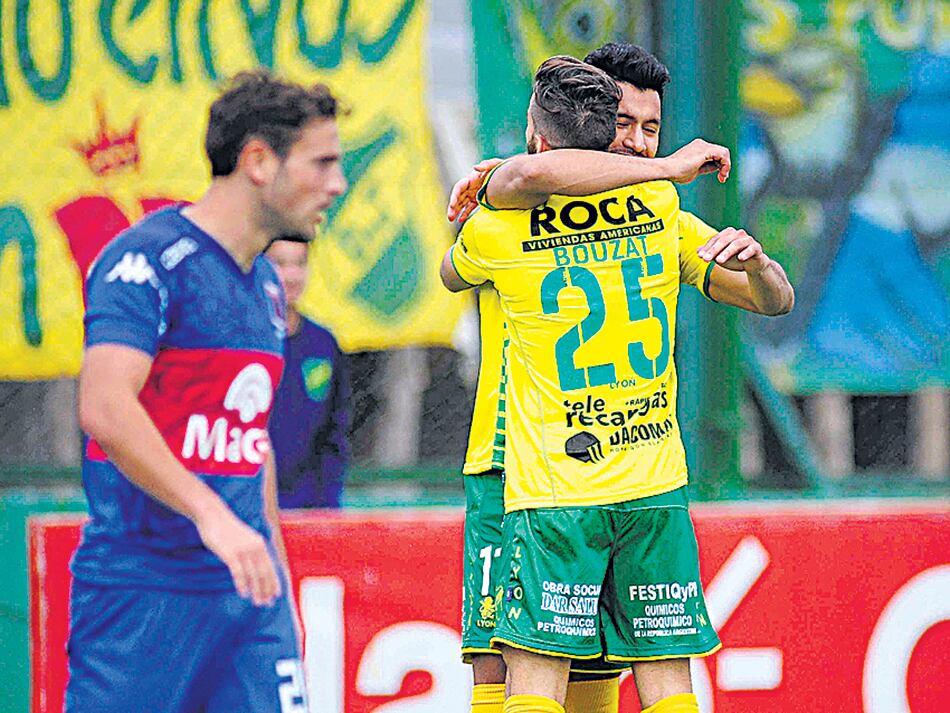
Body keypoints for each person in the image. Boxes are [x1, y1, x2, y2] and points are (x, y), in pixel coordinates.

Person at [442, 55, 793, 713]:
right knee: (499, 659)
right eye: (622, 124)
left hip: (568, 475)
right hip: (507, 457)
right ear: (590, 128)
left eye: (651, 129)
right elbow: (533, 175)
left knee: (580, 665)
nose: (635, 143)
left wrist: (759, 263)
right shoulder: (605, 195)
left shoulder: (620, 209)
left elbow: (453, 264)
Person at [69, 69, 347, 712]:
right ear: (258, 161)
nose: (337, 184)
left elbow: (251, 443)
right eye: (322, 163)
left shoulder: (267, 286)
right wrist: (212, 514)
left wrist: (277, 575)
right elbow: (105, 406)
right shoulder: (146, 261)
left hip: (250, 600)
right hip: (142, 595)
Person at [266, 238, 350, 509]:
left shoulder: (322, 343)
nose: (291, 276)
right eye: (279, 263)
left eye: (300, 263)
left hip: (309, 505)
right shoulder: (243, 341)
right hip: (250, 507)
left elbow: (334, 431)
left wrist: (326, 503)